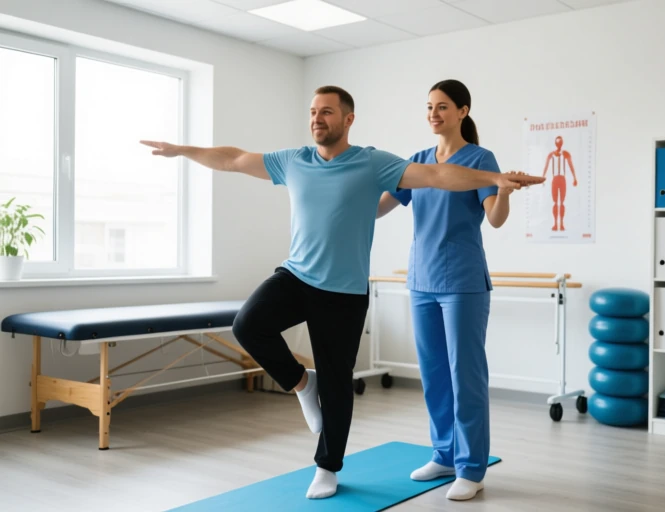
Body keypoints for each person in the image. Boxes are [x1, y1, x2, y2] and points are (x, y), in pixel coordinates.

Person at [140, 85, 535, 500]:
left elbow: (442, 180)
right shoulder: (296, 160)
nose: (316, 118)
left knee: (424, 377)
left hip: (397, 286)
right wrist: (182, 149)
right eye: (312, 111)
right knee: (252, 326)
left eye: (325, 112)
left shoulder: (381, 161)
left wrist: (496, 180)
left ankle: (446, 467)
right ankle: (428, 445)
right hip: (332, 276)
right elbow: (235, 158)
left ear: (347, 119)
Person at [377, 79, 520, 501]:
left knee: (466, 375)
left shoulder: (479, 159)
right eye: (429, 107)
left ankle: (472, 467)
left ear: (463, 111)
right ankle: (443, 453)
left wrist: (505, 192)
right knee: (435, 374)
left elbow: (494, 218)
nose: (434, 114)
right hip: (420, 281)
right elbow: (380, 206)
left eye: (442, 106)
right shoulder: (417, 163)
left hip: (462, 281)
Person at [542, 135, 577, 231]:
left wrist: (574, 178)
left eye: (560, 142)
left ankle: (561, 224)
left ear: (562, 143)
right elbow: (546, 166)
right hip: (555, 180)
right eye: (557, 142)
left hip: (562, 180)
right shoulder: (551, 155)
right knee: (555, 202)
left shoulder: (565, 154)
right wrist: (542, 178)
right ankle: (555, 224)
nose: (558, 144)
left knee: (561, 202)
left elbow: (571, 165)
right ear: (555, 143)